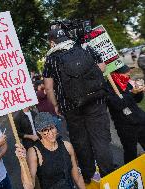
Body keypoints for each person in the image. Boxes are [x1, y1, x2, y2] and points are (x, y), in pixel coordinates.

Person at [43, 26, 114, 183]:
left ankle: (90, 177)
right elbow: (102, 67)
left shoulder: (50, 59)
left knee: (81, 141)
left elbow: (48, 87)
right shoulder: (84, 46)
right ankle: (109, 174)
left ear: (52, 42)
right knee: (100, 138)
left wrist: (55, 105)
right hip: (96, 101)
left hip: (70, 106)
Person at [15, 112, 85, 189]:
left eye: (52, 128)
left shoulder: (67, 146)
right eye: (45, 130)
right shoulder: (34, 152)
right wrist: (22, 161)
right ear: (39, 132)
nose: (50, 133)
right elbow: (29, 186)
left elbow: (77, 177)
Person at [107, 65, 145, 164]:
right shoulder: (109, 88)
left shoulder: (125, 83)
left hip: (139, 119)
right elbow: (118, 105)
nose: (128, 75)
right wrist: (132, 93)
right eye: (126, 72)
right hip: (125, 126)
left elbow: (137, 100)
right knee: (130, 152)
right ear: (117, 74)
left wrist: (139, 91)